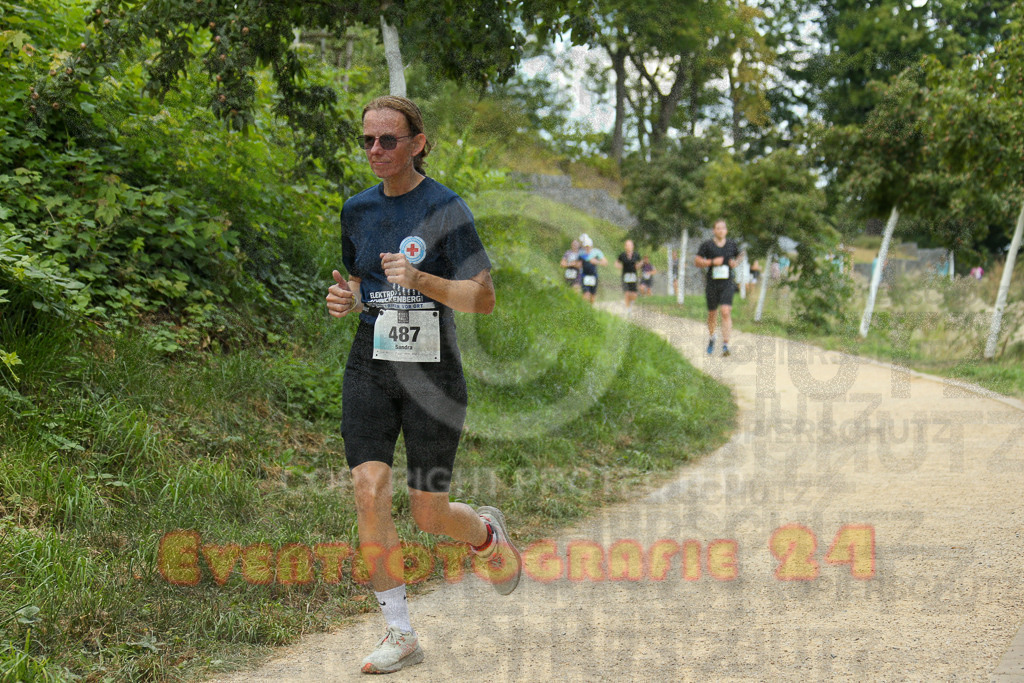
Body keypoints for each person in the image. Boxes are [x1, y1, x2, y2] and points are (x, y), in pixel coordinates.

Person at [324, 96, 521, 675]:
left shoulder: (446, 209)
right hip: (370, 364)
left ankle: (484, 534)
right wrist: (346, 299)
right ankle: (400, 631)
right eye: (368, 141)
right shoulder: (357, 210)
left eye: (389, 140)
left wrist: (421, 278)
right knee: (368, 490)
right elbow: (364, 284)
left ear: (418, 142)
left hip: (432, 373)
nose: (376, 151)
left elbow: (482, 298)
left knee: (429, 514)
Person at [694, 219, 740, 357]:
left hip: (727, 283)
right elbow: (697, 261)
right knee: (712, 314)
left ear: (726, 230)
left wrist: (735, 262)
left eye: (723, 228)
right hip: (712, 284)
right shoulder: (707, 245)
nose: (721, 230)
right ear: (714, 230)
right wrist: (712, 262)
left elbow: (740, 256)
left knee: (725, 311)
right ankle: (712, 337)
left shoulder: (732, 244)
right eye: (718, 228)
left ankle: (725, 345)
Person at [577, 234, 608, 305]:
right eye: (586, 247)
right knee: (586, 294)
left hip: (594, 276)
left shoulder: (596, 252)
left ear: (591, 246)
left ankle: (591, 308)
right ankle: (584, 309)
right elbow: (578, 263)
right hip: (584, 275)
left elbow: (605, 262)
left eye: (588, 247)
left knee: (592, 296)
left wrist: (596, 261)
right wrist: (578, 265)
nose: (587, 248)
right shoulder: (581, 253)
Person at [616, 239, 642, 313]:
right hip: (625, 276)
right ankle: (628, 310)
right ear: (625, 247)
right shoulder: (622, 255)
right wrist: (620, 266)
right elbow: (616, 263)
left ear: (632, 246)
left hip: (633, 276)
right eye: (627, 245)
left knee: (634, 293)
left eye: (630, 245)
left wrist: (638, 266)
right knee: (627, 293)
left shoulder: (636, 255)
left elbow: (640, 262)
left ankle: (631, 303)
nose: (628, 247)